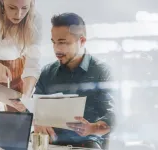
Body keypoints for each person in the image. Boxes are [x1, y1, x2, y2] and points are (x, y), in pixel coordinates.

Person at [33, 13, 116, 149]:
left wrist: (92, 128)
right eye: (54, 42)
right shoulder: (47, 72)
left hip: (86, 144)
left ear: (82, 41)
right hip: (51, 144)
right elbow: (35, 108)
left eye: (63, 42)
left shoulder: (101, 71)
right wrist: (38, 122)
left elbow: (112, 115)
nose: (56, 49)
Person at [0, 0, 42, 134]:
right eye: (12, 7)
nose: (19, 14)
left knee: (19, 124)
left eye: (24, 8)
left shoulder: (36, 18)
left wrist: (26, 96)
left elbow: (33, 65)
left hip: (18, 67)